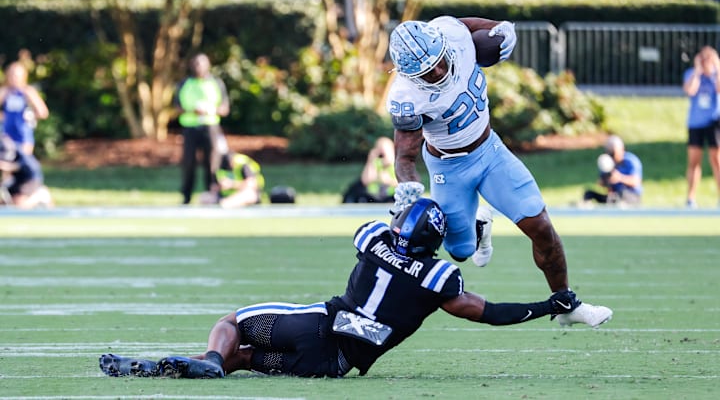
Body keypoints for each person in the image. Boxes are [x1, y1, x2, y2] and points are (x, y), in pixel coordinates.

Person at [98, 198, 612, 379]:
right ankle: (206, 366)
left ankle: (207, 360)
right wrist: (550, 304)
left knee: (232, 325)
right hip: (336, 365)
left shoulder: (371, 238)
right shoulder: (439, 280)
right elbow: (492, 312)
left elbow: (388, 222)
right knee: (248, 360)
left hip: (318, 323)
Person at [385, 16, 612, 326]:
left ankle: (567, 304)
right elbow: (405, 155)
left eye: (438, 63)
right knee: (460, 251)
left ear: (442, 46)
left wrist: (500, 26)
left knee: (542, 228)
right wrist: (408, 186)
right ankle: (480, 225)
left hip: (491, 152)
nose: (437, 72)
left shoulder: (451, 35)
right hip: (447, 168)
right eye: (426, 72)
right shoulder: (406, 97)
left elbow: (463, 24)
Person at [174, 53, 230, 205]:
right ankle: (186, 196)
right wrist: (192, 110)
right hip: (190, 128)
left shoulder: (216, 83)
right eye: (196, 64)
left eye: (202, 64)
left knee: (211, 163)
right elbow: (177, 107)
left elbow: (225, 108)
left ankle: (212, 194)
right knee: (189, 162)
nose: (199, 67)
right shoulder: (185, 84)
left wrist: (210, 110)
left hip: (210, 127)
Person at [682, 46, 720, 209]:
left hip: (714, 122)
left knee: (716, 160)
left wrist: (717, 69)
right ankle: (691, 198)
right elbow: (690, 90)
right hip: (696, 123)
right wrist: (698, 71)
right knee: (694, 161)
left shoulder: (715, 76)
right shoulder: (692, 74)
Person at [0, 61, 49, 156]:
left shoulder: (28, 91)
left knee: (23, 161)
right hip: (7, 135)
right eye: (11, 75)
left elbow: (43, 112)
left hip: (23, 135)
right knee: (7, 163)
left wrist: (31, 115)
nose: (14, 78)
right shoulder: (5, 91)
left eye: (16, 75)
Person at [583, 135, 643, 206]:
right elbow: (603, 184)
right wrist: (604, 181)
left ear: (621, 149)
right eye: (609, 152)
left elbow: (636, 181)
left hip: (631, 196)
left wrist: (620, 178)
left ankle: (619, 203)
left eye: (613, 153)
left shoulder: (631, 161)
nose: (611, 155)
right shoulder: (608, 162)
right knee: (589, 193)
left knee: (621, 193)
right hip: (614, 196)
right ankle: (584, 206)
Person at [0, 135, 53, 209]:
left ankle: (40, 195)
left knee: (19, 205)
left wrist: (7, 167)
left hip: (30, 178)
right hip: (16, 178)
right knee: (5, 203)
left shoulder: (14, 148)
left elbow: (23, 165)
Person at [199, 151, 264, 208]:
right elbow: (214, 187)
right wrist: (220, 186)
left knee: (249, 195)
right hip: (224, 196)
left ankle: (229, 204)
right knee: (204, 198)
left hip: (245, 194)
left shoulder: (243, 165)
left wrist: (232, 184)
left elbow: (252, 184)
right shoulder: (221, 166)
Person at [342, 136, 398, 203]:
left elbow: (401, 184)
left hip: (391, 197)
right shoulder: (375, 163)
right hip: (373, 197)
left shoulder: (396, 164)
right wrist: (371, 160)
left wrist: (389, 181)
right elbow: (365, 180)